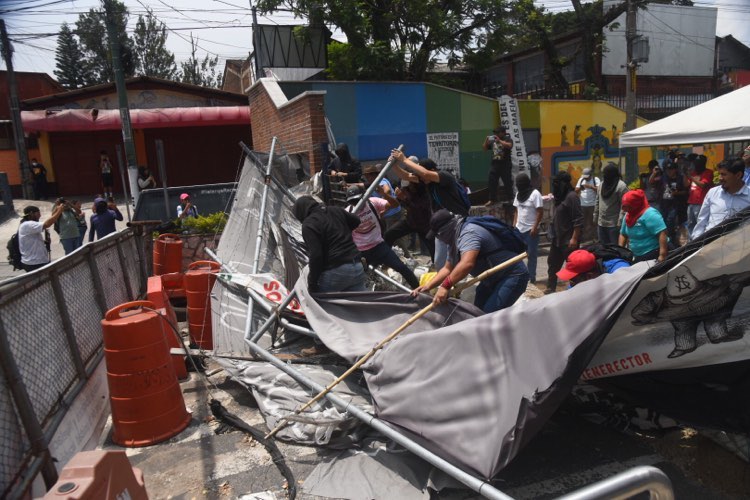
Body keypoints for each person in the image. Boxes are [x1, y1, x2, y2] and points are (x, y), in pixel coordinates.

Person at [413, 209, 529, 313]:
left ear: (445, 230)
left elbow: (467, 264)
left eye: (438, 235)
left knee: (488, 316)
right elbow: (447, 268)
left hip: (511, 275)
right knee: (475, 313)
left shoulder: (468, 233)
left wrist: (445, 287)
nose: (438, 239)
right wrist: (428, 286)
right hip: (490, 279)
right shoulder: (453, 239)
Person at [388, 150, 470, 269]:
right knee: (439, 262)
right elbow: (405, 176)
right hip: (441, 225)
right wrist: (393, 164)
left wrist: (404, 159)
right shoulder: (427, 181)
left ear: (432, 170)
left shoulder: (444, 176)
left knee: (459, 258)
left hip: (457, 223)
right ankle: (446, 280)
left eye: (420, 173)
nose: (420, 178)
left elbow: (425, 174)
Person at [345, 185, 419, 289]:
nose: (357, 204)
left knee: (401, 267)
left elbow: (395, 204)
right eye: (353, 201)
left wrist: (385, 194)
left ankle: (419, 290)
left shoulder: (372, 202)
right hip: (361, 252)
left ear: (363, 197)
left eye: (358, 200)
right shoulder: (348, 213)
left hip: (378, 246)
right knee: (362, 277)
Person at [292, 195, 365, 293]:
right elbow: (356, 221)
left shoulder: (309, 224)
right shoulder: (334, 210)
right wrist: (343, 232)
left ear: (301, 213)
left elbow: (316, 256)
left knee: (317, 302)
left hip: (337, 271)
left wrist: (312, 284)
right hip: (357, 266)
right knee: (361, 304)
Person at [691, 160, 750, 240]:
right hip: (711, 246)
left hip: (740, 248)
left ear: (738, 175)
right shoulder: (713, 193)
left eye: (724, 174)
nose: (720, 178)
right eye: (719, 174)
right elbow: (702, 221)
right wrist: (696, 243)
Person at [545, 171, 582, 294]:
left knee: (572, 266)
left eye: (557, 183)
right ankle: (551, 288)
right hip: (557, 239)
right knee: (552, 263)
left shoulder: (572, 197)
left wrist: (574, 239)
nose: (555, 186)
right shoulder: (559, 197)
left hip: (569, 240)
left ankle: (575, 290)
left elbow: (578, 219)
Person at [384, 177, 435, 259]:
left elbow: (419, 208)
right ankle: (387, 258)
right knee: (389, 234)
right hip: (410, 221)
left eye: (411, 185)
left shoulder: (425, 193)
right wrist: (387, 204)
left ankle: (437, 264)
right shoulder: (406, 190)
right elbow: (396, 202)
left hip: (424, 225)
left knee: (433, 248)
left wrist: (404, 199)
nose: (410, 187)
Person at [618, 190, 668, 263]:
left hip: (653, 252)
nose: (624, 209)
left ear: (635, 204)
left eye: (628, 206)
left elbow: (662, 233)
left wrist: (662, 255)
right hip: (637, 255)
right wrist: (620, 251)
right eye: (624, 206)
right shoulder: (628, 216)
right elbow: (623, 234)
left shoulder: (650, 214)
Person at [513, 173, 543, 284]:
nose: (518, 186)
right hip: (518, 229)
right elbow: (516, 210)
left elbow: (540, 211)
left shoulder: (535, 194)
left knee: (531, 255)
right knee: (516, 256)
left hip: (530, 230)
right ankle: (519, 275)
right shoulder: (518, 194)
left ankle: (531, 278)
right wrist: (514, 225)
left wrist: (535, 227)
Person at [18, 204, 63, 272]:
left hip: (37, 261)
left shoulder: (27, 224)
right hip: (34, 263)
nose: (40, 216)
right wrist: (60, 210)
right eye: (38, 213)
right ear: (31, 213)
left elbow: (30, 240)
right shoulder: (28, 224)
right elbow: (47, 224)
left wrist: (44, 242)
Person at [594, 162, 629, 245]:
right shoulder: (602, 184)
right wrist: (595, 216)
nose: (605, 176)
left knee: (615, 248)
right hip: (601, 223)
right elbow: (597, 200)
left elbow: (624, 205)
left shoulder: (621, 186)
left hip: (614, 224)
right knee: (603, 248)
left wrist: (620, 221)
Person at [556, 249, 630, 287]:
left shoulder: (617, 268)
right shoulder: (575, 284)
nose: (571, 283)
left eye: (573, 280)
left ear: (589, 276)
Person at [482, 126, 513, 205]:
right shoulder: (493, 141)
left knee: (507, 182)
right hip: (495, 164)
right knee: (492, 182)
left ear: (503, 132)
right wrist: (486, 140)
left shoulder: (507, 139)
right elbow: (484, 149)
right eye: (495, 133)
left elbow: (509, 146)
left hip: (505, 165)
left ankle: (510, 199)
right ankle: (492, 199)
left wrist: (500, 141)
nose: (496, 134)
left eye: (498, 132)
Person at [659, 162, 688, 244]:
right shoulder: (664, 177)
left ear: (675, 170)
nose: (669, 171)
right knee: (664, 224)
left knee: (670, 223)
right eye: (667, 169)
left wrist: (677, 193)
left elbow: (686, 191)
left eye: (671, 169)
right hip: (664, 204)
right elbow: (651, 182)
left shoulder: (680, 178)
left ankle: (672, 243)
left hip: (675, 205)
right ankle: (667, 241)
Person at [685, 154, 713, 235]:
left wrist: (691, 177)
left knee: (700, 223)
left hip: (701, 202)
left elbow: (703, 185)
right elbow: (686, 184)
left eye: (698, 163)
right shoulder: (693, 172)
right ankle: (692, 241)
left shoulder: (708, 172)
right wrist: (686, 174)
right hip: (691, 202)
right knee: (690, 224)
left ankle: (701, 240)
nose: (696, 165)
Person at [575, 167, 600, 243]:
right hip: (583, 204)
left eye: (587, 177)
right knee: (583, 222)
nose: (586, 178)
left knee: (593, 222)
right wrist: (581, 187)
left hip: (593, 205)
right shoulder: (581, 180)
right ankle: (584, 238)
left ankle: (595, 238)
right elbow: (576, 190)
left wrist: (591, 187)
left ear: (591, 175)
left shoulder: (596, 180)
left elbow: (599, 190)